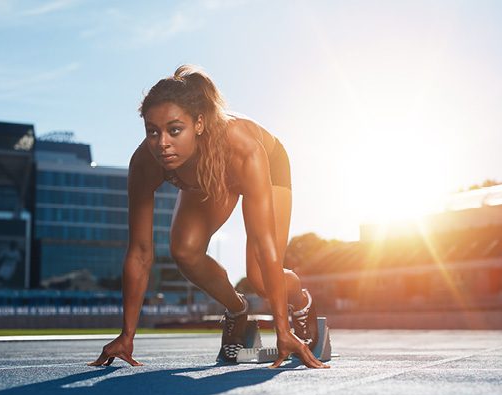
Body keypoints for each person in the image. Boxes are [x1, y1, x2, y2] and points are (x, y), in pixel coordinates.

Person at [89, 64, 328, 369]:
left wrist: (282, 331)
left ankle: (302, 301)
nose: (162, 143)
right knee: (184, 251)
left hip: (263, 163)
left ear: (199, 123)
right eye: (153, 131)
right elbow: (139, 252)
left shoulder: (242, 148)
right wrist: (127, 334)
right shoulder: (145, 162)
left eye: (175, 130)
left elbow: (263, 242)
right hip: (208, 175)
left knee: (260, 279)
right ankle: (237, 311)